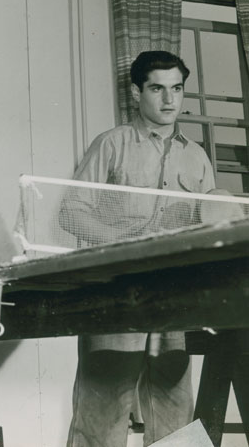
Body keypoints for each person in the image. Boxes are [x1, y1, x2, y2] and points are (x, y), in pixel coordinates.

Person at [60, 50, 216, 447]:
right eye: (157, 89)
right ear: (136, 92)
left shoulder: (197, 158)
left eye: (177, 89)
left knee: (175, 413)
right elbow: (71, 213)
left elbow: (209, 225)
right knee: (103, 411)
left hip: (173, 295)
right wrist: (126, 245)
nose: (169, 100)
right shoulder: (112, 145)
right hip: (116, 293)